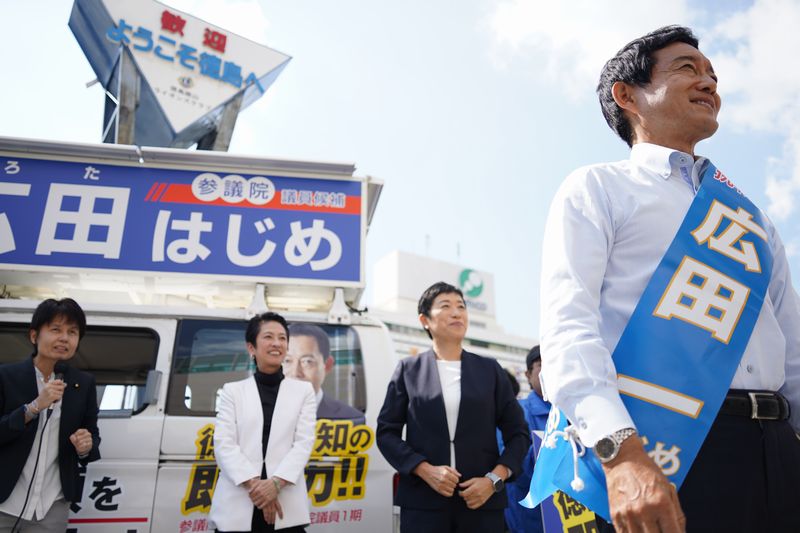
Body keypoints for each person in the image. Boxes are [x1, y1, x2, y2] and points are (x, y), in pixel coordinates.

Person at [539, 25, 800, 532]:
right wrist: (622, 457)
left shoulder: (749, 219)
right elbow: (568, 331)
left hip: (776, 451)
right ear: (626, 95)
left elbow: (791, 347)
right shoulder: (598, 187)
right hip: (664, 451)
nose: (709, 83)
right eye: (687, 68)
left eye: (713, 74)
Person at [376, 281, 530, 533]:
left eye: (461, 306)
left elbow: (519, 434)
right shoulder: (409, 370)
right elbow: (386, 433)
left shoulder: (490, 370)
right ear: (425, 320)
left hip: (481, 503)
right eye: (445, 306)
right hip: (423, 504)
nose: (457, 313)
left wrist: (493, 480)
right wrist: (423, 469)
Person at [0, 298, 101, 532]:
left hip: (52, 505)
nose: (64, 338)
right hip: (4, 499)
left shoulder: (84, 383)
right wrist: (33, 407)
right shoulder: (6, 376)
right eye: (56, 329)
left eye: (72, 332)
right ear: (34, 336)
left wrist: (85, 446)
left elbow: (92, 438)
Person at [210, 312, 316, 533]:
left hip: (285, 501)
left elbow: (304, 443)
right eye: (268, 337)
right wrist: (259, 488)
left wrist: (275, 484)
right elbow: (223, 444)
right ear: (251, 347)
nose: (276, 343)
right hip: (241, 498)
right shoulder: (232, 391)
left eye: (282, 338)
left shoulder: (303, 391)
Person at [504, 346, 550, 533]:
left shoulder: (576, 411)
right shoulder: (517, 412)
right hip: (531, 521)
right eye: (541, 364)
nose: (549, 369)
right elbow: (512, 467)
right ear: (528, 375)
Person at [284, 323, 365, 424]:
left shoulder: (351, 419)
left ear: (327, 365)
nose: (295, 372)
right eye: (287, 360)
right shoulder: (266, 412)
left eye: (307, 361)